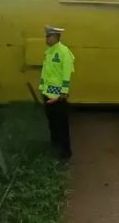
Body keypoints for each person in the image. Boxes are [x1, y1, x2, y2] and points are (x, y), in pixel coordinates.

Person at [40, 25, 75, 159]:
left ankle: (65, 152)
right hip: (47, 94)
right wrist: (42, 88)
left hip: (58, 96)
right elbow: (46, 73)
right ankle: (55, 147)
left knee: (61, 124)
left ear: (55, 37)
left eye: (48, 36)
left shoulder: (63, 52)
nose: (46, 39)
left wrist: (64, 92)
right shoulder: (49, 52)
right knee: (52, 123)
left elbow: (67, 73)